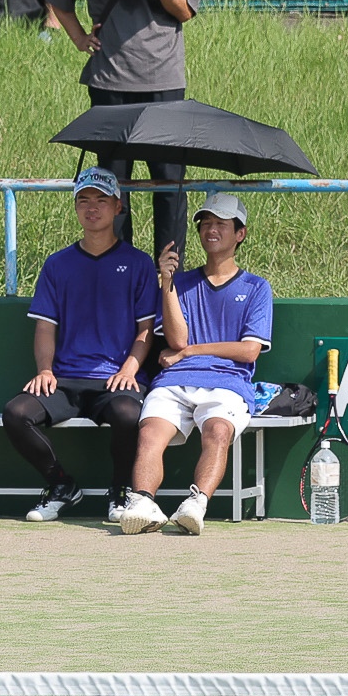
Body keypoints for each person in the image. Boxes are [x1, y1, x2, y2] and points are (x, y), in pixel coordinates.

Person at [45, 0, 204, 254]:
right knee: (112, 186)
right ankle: (121, 268)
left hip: (162, 79)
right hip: (108, 80)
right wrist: (80, 38)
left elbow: (185, 11)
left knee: (169, 183)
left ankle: (169, 273)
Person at [1, 168, 159, 523]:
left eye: (101, 200)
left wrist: (130, 368)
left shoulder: (138, 263)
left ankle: (121, 491)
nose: (92, 208)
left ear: (118, 207)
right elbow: (45, 326)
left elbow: (146, 329)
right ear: (75, 208)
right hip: (66, 380)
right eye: (84, 200)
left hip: (115, 380)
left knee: (129, 415)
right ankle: (61, 485)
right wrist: (45, 370)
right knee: (16, 413)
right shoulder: (58, 264)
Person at [113, 193, 273, 536]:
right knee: (149, 433)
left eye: (221, 224)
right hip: (175, 380)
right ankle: (142, 503)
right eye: (206, 223)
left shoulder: (257, 287)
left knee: (218, 431)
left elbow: (249, 351)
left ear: (240, 234)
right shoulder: (180, 284)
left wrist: (190, 352)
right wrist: (167, 283)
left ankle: (195, 505)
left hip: (228, 383)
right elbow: (177, 340)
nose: (211, 230)